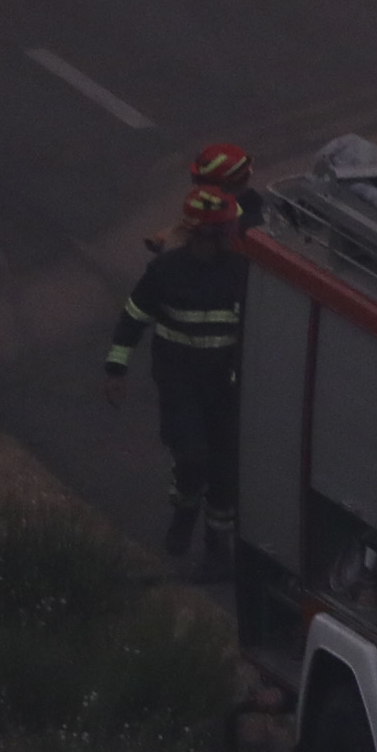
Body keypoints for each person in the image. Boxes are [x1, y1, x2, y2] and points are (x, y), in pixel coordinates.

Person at [106, 184, 249, 578]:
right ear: (206, 234)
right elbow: (133, 317)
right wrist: (116, 369)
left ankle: (218, 552)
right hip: (180, 384)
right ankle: (184, 512)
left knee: (224, 475)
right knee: (192, 459)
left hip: (225, 387)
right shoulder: (167, 272)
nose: (232, 234)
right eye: (225, 229)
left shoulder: (241, 273)